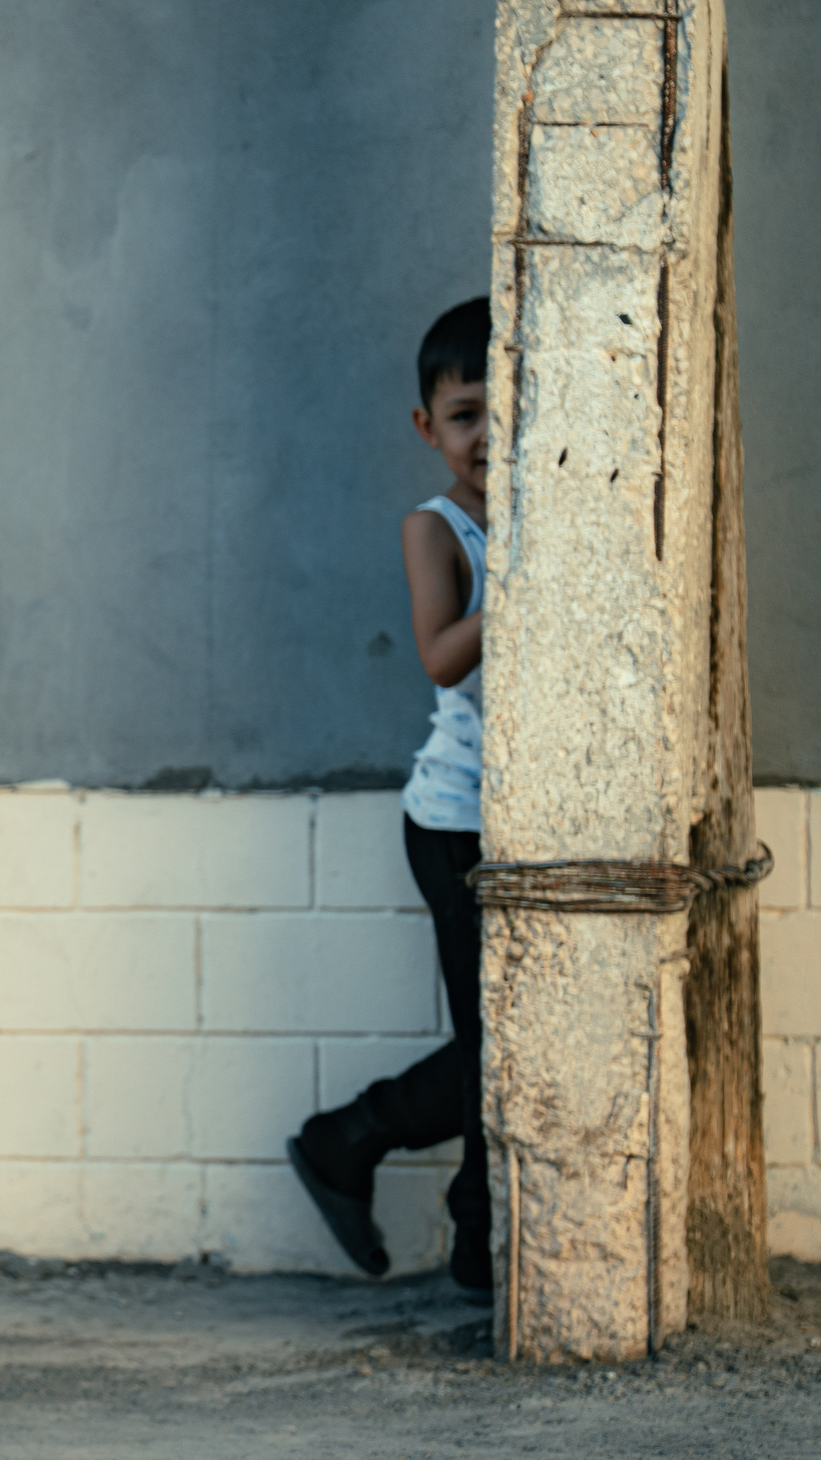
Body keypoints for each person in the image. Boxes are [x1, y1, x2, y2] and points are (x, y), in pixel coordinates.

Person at [286, 296, 494, 1302]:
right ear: (428, 428)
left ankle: (352, 1144)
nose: (487, 435)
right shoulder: (437, 526)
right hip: (453, 822)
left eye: (509, 407)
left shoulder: (545, 510)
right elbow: (442, 656)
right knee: (498, 1044)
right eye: (465, 416)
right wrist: (520, 581)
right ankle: (466, 1236)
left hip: (522, 825)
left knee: (505, 1041)